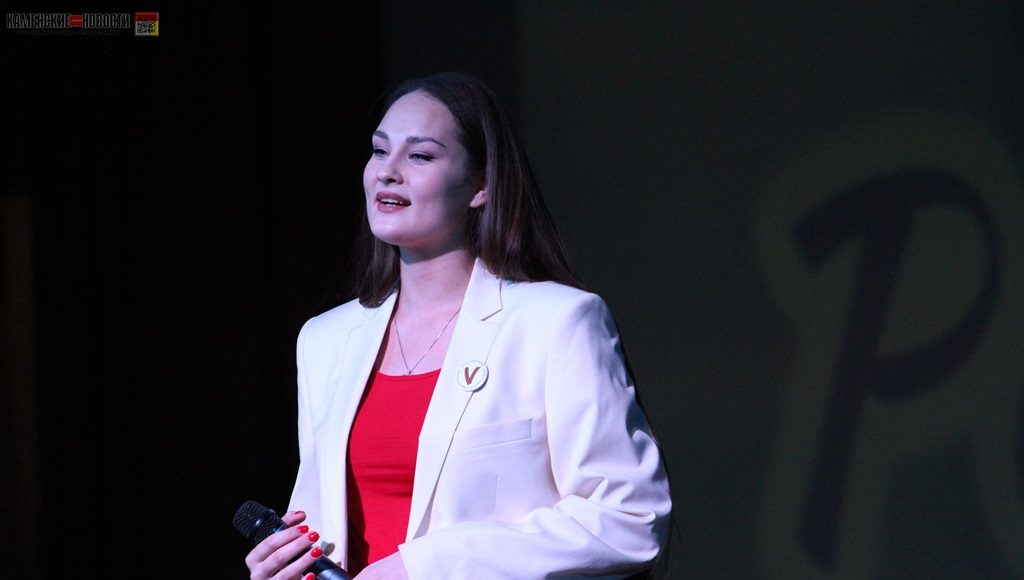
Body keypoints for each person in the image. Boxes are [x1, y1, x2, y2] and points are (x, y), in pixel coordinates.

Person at [244, 72, 671, 580]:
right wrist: (287, 566)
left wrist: (423, 567)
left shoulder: (556, 323)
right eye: (379, 151)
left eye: (420, 156)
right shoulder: (325, 340)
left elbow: (630, 518)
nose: (388, 172)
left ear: (481, 186)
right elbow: (322, 524)